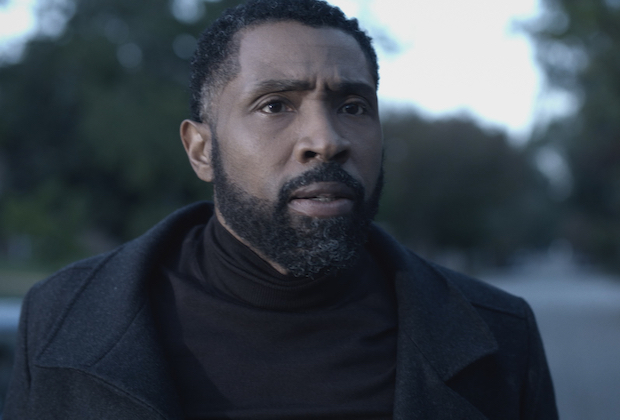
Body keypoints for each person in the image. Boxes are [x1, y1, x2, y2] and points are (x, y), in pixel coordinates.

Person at [3, 0, 558, 418]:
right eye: (275, 105)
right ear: (201, 149)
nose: (326, 140)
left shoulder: (498, 335)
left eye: (353, 107)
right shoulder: (62, 318)